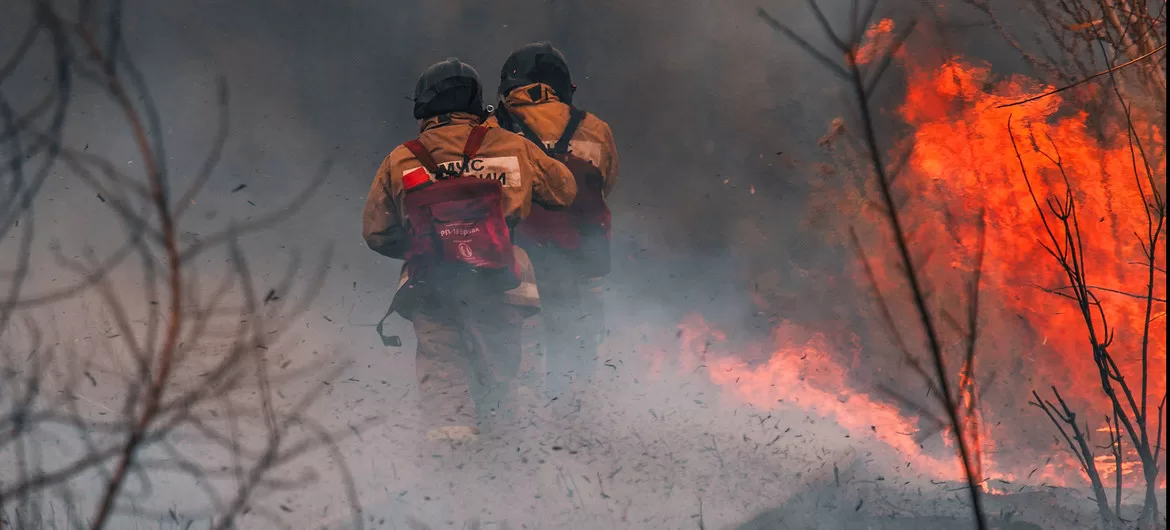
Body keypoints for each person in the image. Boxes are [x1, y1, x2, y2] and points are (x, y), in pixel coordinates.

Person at [362, 58, 577, 443]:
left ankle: (454, 462)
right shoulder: (513, 146)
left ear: (422, 105)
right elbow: (564, 192)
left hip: (432, 285)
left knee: (445, 375)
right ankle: (517, 457)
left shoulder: (401, 158)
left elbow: (376, 232)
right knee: (509, 379)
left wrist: (430, 244)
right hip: (506, 282)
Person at [486, 42, 619, 406]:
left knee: (514, 360)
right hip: (574, 263)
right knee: (573, 359)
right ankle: (569, 428)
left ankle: (514, 427)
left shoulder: (489, 129)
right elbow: (603, 186)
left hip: (509, 264)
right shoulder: (595, 130)